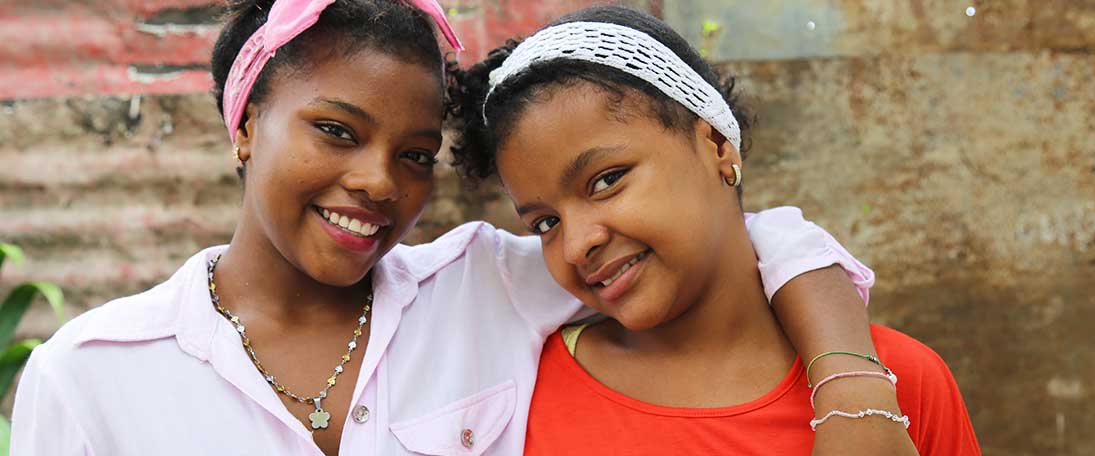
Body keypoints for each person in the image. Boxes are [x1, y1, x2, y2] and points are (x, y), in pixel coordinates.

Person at [14, 1, 900, 454]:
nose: (376, 182)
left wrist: (850, 386)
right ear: (245, 126)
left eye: (413, 154)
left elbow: (750, 236)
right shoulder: (91, 375)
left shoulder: (483, 285)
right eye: (335, 130)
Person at [451, 5, 981, 455]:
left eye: (606, 180)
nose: (577, 242)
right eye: (545, 222)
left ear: (717, 148)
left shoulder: (894, 387)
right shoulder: (521, 396)